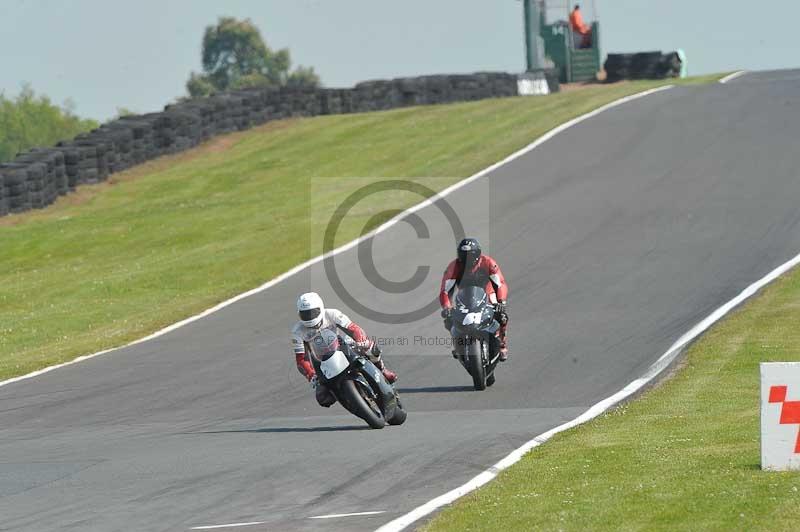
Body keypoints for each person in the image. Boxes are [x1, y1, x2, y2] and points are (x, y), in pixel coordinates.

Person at [291, 292, 398, 407]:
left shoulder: (332, 314)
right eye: (305, 314)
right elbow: (301, 359)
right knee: (323, 398)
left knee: (370, 348)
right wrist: (311, 375)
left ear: (321, 308)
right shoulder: (297, 331)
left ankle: (382, 370)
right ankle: (346, 398)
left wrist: (360, 340)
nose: (310, 317)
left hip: (341, 346)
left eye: (313, 312)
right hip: (321, 361)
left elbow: (353, 328)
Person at [439, 238, 509, 361]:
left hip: (488, 296)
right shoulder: (454, 266)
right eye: (463, 255)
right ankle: (458, 343)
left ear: (477, 254)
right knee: (449, 319)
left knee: (502, 316)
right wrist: (447, 307)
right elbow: (445, 291)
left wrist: (501, 301)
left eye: (470, 256)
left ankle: (502, 344)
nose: (466, 259)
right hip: (464, 299)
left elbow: (500, 283)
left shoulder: (488, 262)